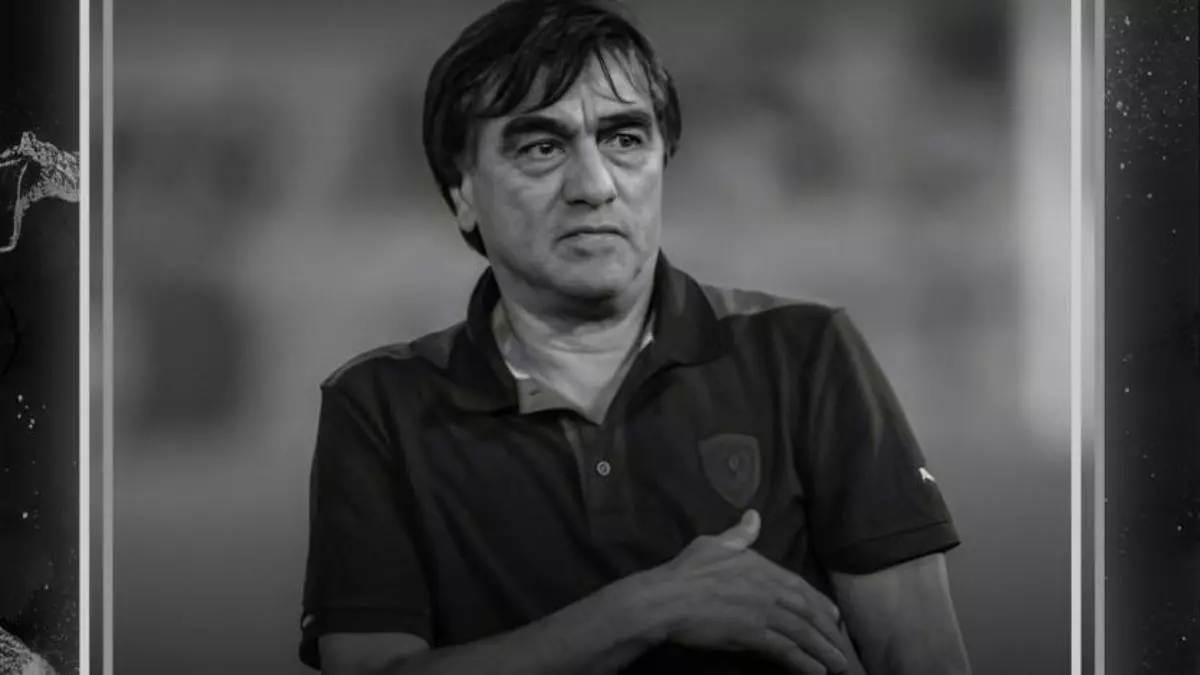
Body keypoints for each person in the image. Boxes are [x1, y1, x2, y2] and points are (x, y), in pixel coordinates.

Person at [300, 1, 972, 673]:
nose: (594, 186)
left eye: (624, 139)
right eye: (541, 147)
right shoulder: (380, 406)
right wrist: (649, 607)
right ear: (463, 192)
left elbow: (922, 659)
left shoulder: (807, 355)